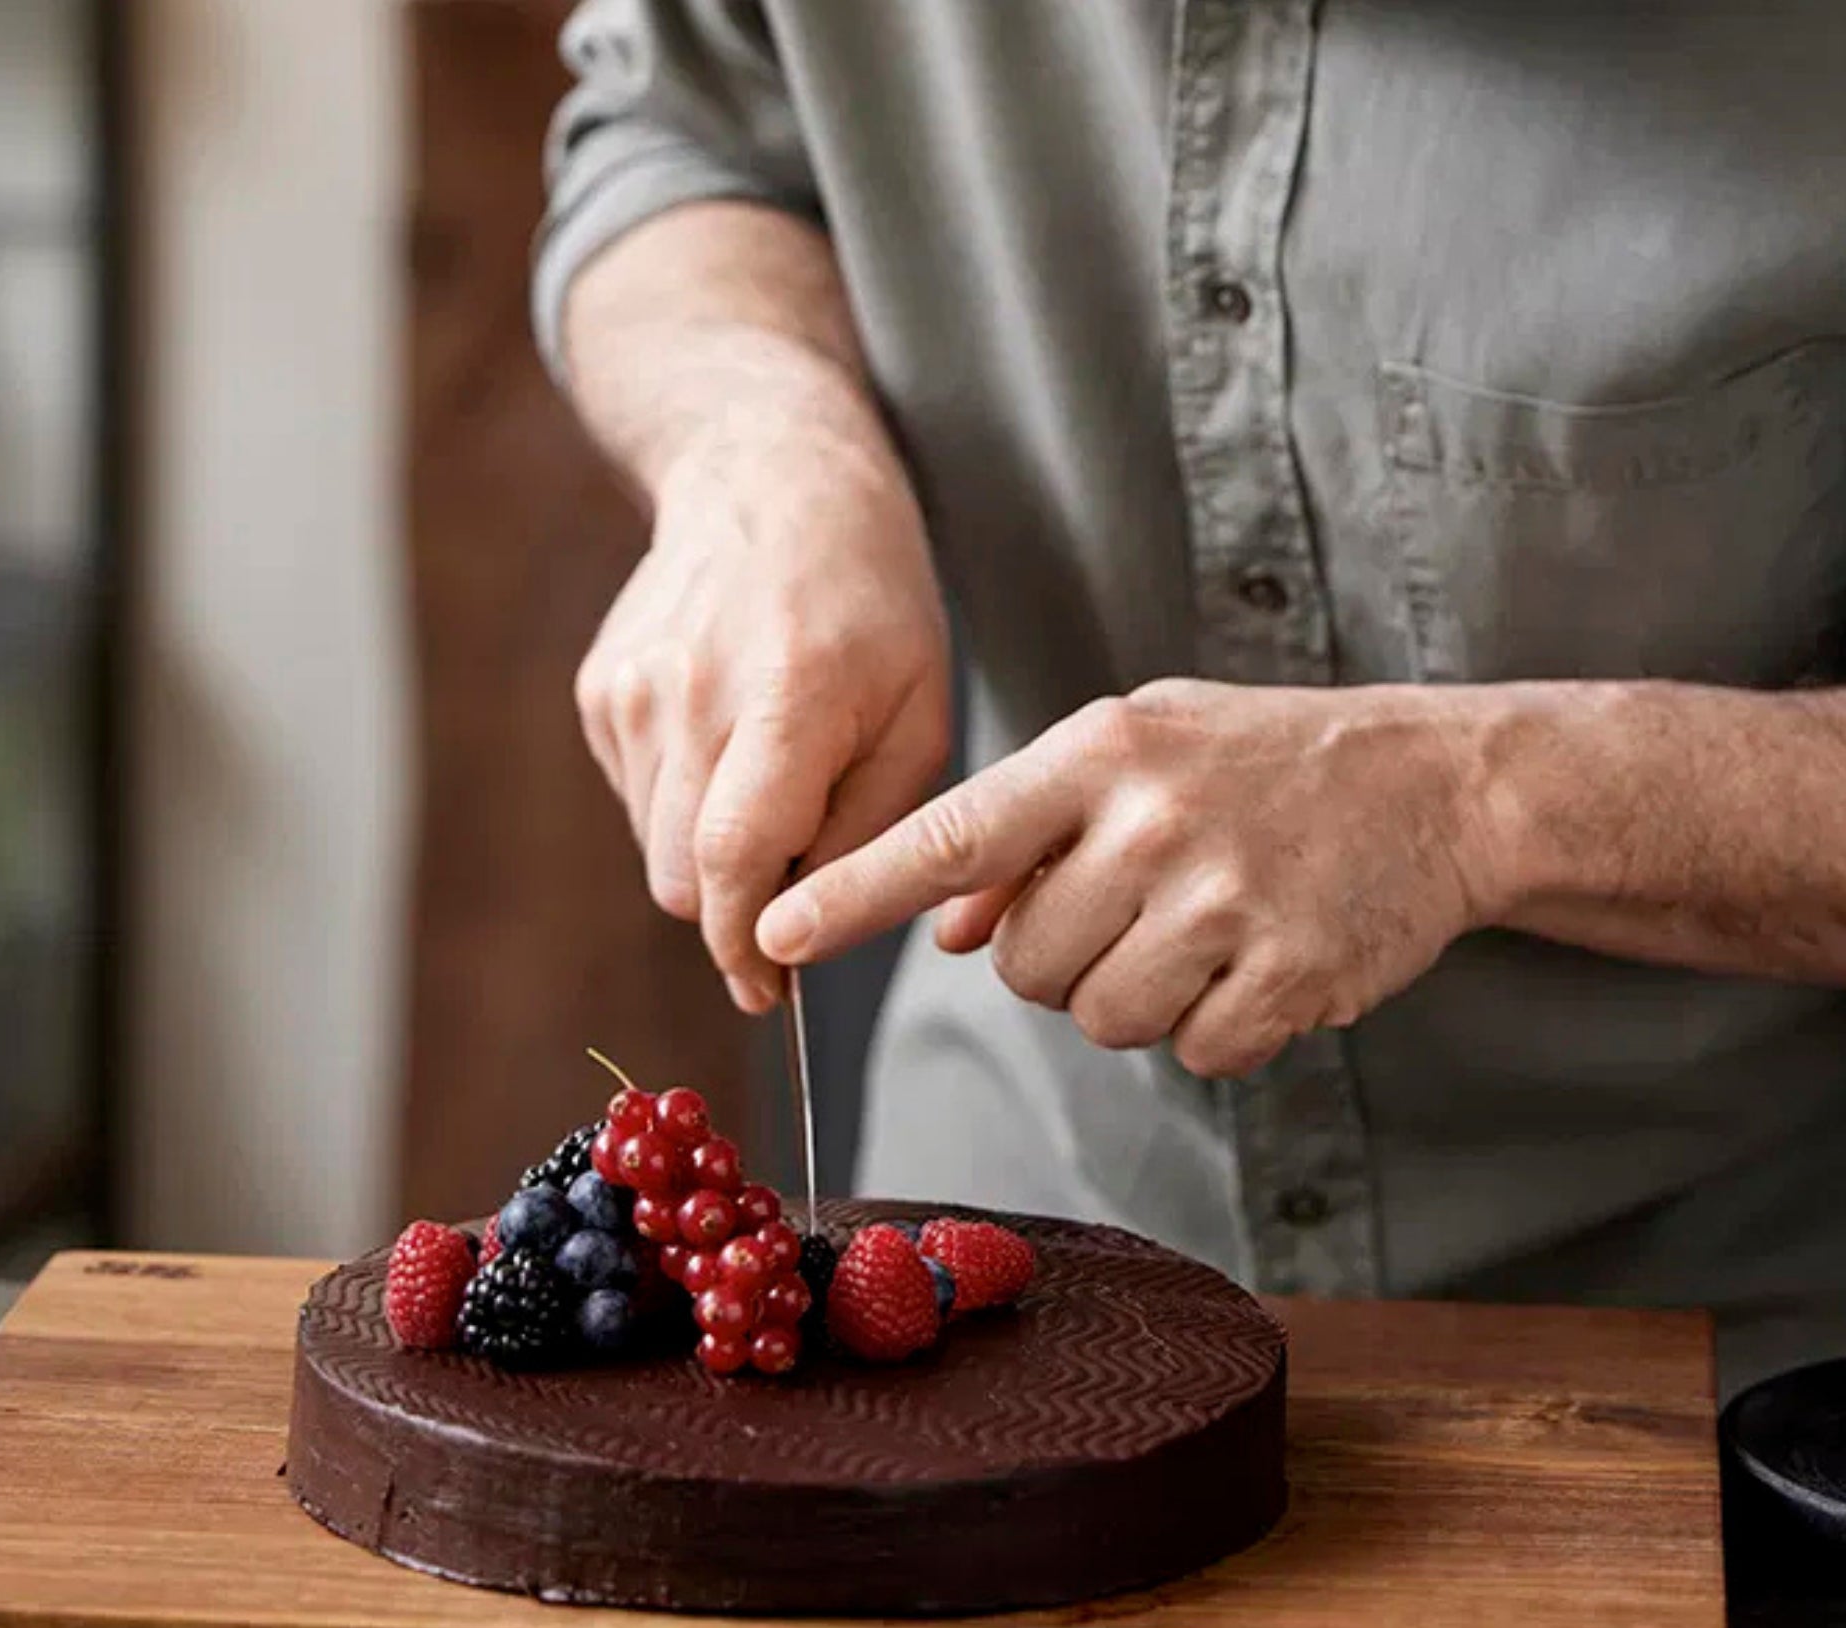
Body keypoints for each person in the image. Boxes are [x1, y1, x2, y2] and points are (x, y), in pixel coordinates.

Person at [534, 0, 1846, 1398]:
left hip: (1742, 1368)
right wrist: (762, 441)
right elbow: (676, 136)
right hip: (1017, 1250)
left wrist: (1478, 801)